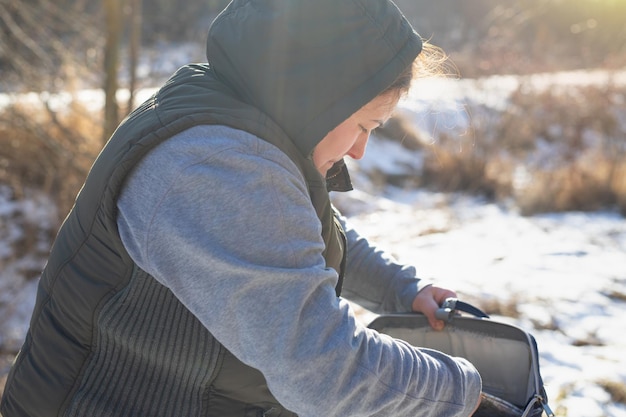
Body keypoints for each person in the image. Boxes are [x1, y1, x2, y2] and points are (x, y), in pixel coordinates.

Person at [1, 0, 482, 416]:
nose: (359, 151)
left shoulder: (239, 119)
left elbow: (299, 238)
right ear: (322, 95)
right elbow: (325, 373)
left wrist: (403, 288)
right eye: (363, 124)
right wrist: (466, 394)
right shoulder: (217, 167)